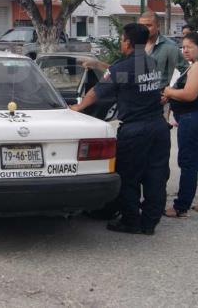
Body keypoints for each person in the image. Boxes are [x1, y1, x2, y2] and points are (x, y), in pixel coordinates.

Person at [71, 23, 171, 235]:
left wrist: (77, 107)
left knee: (128, 176)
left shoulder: (122, 67)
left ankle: (131, 221)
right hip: (159, 127)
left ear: (128, 42)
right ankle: (149, 223)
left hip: (135, 131)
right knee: (156, 175)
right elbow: (121, 75)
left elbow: (98, 91)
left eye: (122, 39)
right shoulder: (150, 62)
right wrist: (100, 65)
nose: (120, 42)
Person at [162, 32, 198, 217]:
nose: (185, 50)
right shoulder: (196, 65)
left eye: (189, 47)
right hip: (197, 117)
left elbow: (189, 94)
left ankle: (181, 207)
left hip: (195, 118)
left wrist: (169, 92)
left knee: (188, 162)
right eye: (183, 47)